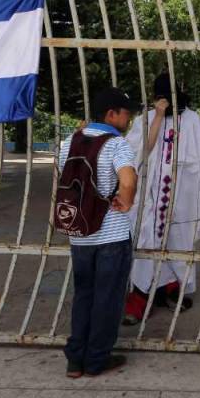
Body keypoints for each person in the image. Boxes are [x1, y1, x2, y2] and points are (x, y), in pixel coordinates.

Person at [123, 72, 200, 325]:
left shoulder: (192, 120)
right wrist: (158, 117)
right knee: (145, 238)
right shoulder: (146, 119)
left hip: (182, 193)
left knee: (178, 239)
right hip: (148, 195)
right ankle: (140, 295)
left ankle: (172, 287)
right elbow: (134, 153)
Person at [57, 86, 141, 378]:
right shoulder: (117, 144)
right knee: (108, 298)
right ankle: (96, 359)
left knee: (84, 294)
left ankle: (75, 358)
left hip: (79, 234)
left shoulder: (70, 141)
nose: (128, 120)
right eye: (126, 114)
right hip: (111, 236)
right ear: (111, 114)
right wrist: (126, 201)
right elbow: (128, 180)